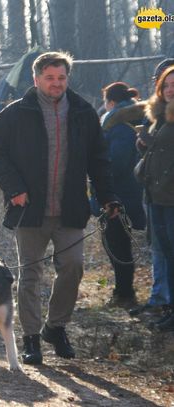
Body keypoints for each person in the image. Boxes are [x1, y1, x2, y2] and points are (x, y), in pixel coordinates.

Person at [0, 52, 119, 365]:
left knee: (73, 267)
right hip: (29, 209)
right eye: (49, 78)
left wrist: (108, 195)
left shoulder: (83, 112)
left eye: (61, 78)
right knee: (30, 273)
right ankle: (31, 339)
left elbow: (99, 159)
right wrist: (14, 188)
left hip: (71, 209)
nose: (56, 84)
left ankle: (55, 328)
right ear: (36, 79)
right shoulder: (15, 113)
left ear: (67, 79)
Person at [130, 59, 174, 317]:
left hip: (170, 197)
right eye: (165, 85)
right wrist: (145, 145)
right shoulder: (159, 116)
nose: (170, 89)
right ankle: (165, 305)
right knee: (163, 251)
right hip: (156, 196)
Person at [96, 82, 146, 308]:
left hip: (118, 195)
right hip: (134, 192)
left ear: (112, 103)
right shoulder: (138, 118)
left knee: (117, 245)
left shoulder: (117, 125)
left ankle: (124, 293)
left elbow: (116, 163)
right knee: (120, 243)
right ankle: (124, 290)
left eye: (105, 102)